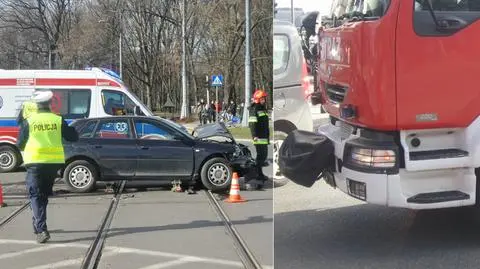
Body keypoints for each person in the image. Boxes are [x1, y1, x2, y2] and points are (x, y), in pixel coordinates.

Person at [16, 90, 79, 243]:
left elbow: (20, 143)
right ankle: (38, 225)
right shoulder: (57, 119)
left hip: (35, 162)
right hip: (53, 163)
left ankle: (41, 229)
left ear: (36, 105)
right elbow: (72, 137)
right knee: (42, 195)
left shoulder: (29, 121)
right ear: (50, 103)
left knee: (36, 195)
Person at [247, 89, 270, 189]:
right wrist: (254, 136)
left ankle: (260, 174)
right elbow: (252, 124)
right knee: (260, 157)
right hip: (258, 137)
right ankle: (256, 175)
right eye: (263, 98)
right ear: (258, 99)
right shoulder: (255, 109)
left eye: (264, 98)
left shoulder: (262, 108)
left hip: (264, 137)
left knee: (263, 157)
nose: (264, 100)